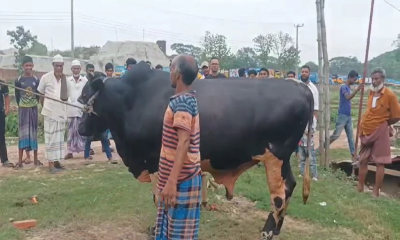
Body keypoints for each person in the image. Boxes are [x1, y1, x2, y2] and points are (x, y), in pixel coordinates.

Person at [154, 54, 202, 239]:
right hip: (175, 180)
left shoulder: (182, 103)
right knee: (169, 232)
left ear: (177, 73)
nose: (169, 71)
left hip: (182, 181)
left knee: (178, 236)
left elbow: (184, 142)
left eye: (171, 67)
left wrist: (172, 182)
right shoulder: (184, 99)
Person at [357, 67, 400, 197]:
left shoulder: (390, 95)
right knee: (362, 160)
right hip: (366, 130)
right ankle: (360, 187)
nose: (374, 81)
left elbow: (397, 115)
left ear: (383, 79)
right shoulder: (371, 93)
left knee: (379, 162)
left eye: (377, 79)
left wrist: (385, 124)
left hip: (380, 131)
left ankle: (376, 191)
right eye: (373, 79)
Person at [37, 54, 70, 173]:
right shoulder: (45, 77)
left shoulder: (66, 80)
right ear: (53, 65)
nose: (59, 68)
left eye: (61, 66)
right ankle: (50, 165)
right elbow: (40, 95)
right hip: (49, 113)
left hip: (61, 113)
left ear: (63, 66)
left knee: (59, 139)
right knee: (50, 139)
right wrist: (45, 107)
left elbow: (67, 97)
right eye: (57, 66)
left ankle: (57, 162)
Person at [326, 70, 363, 156]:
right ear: (349, 77)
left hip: (348, 115)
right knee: (336, 135)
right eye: (354, 79)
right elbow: (348, 97)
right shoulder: (344, 87)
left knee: (350, 136)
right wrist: (357, 90)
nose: (354, 81)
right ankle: (322, 147)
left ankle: (353, 153)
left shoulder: (348, 87)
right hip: (342, 115)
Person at [14, 55, 41, 168]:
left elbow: (38, 96)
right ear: (23, 66)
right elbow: (16, 96)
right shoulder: (18, 80)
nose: (28, 67)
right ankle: (20, 161)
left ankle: (35, 159)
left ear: (33, 66)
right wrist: (22, 105)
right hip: (23, 110)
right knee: (23, 134)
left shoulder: (36, 80)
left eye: (30, 65)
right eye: (26, 65)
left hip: (33, 109)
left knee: (34, 133)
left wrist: (33, 104)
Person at [298, 65, 319, 181]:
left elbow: (315, 109)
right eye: (302, 71)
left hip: (309, 122)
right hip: (298, 122)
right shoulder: (297, 86)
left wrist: (312, 124)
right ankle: (301, 172)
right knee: (301, 150)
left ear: (309, 74)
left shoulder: (313, 89)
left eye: (306, 72)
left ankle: (314, 174)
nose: (304, 73)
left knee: (310, 152)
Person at [64, 60, 87, 160]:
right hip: (70, 109)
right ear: (71, 69)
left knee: (82, 131)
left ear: (80, 69)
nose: (76, 70)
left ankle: (85, 150)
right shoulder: (67, 80)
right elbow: (65, 94)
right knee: (70, 132)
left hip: (81, 109)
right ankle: (70, 151)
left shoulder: (85, 81)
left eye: (78, 68)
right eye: (74, 68)